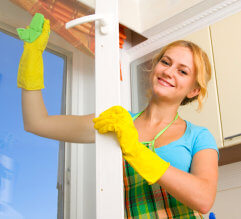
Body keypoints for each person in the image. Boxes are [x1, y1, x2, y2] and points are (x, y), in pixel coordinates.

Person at [18, 14, 219, 218]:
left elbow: (203, 199)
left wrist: (134, 149)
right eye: (165, 62)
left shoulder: (198, 136)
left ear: (194, 90)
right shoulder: (118, 123)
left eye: (182, 72)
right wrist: (32, 55)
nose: (168, 72)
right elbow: (37, 122)